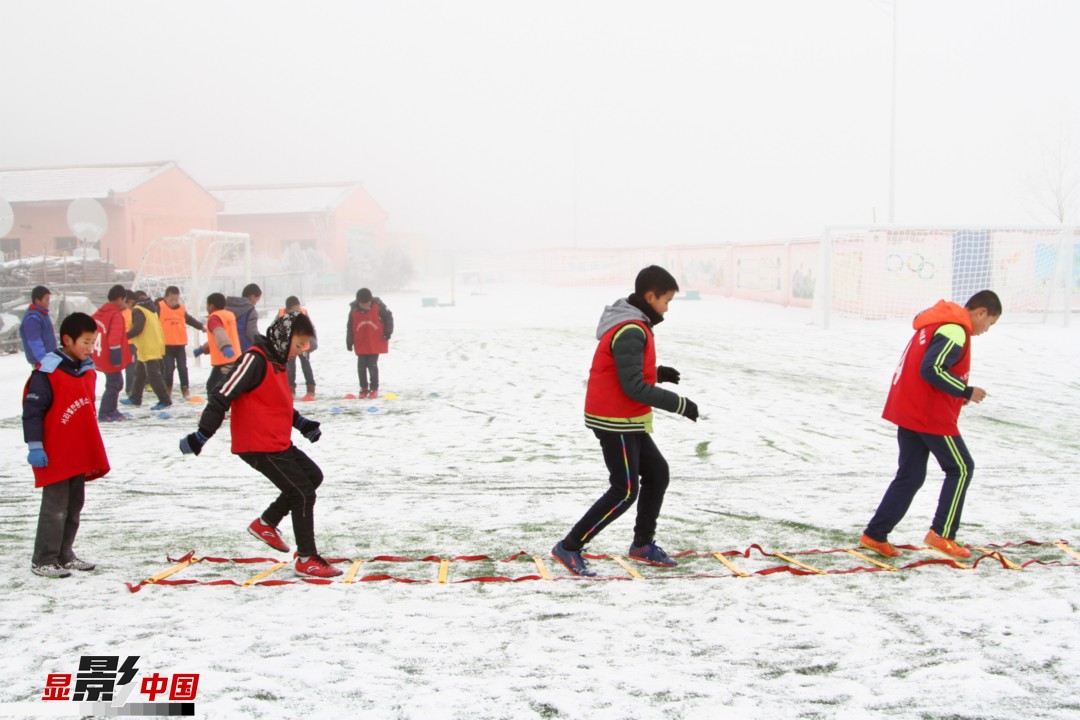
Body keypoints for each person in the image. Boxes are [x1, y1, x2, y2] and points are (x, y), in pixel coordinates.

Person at [550, 265, 700, 577]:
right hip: (613, 418)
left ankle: (642, 544)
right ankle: (570, 546)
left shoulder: (635, 324)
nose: (667, 309)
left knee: (657, 473)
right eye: (666, 301)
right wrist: (680, 404)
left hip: (625, 416)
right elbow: (633, 386)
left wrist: (658, 373)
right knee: (625, 489)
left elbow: (626, 371)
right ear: (650, 296)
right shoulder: (631, 327)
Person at [179, 311, 341, 578]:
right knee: (302, 493)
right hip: (257, 445)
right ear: (283, 337)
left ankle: (266, 523)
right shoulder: (255, 359)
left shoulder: (278, 363)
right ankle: (306, 558)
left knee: (312, 476)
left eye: (304, 347)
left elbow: (276, 404)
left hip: (277, 443)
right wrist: (202, 435)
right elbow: (222, 394)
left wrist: (302, 425)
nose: (299, 352)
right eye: (298, 345)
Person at [860, 290, 1002, 560]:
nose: (987, 330)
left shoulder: (935, 323)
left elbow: (927, 370)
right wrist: (965, 390)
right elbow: (932, 369)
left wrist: (957, 395)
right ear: (981, 312)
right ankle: (942, 534)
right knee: (961, 467)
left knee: (911, 476)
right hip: (928, 415)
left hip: (910, 410)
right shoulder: (955, 329)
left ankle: (875, 535)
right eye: (990, 323)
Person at [23, 312, 110, 578]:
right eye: (85, 342)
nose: (89, 347)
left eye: (92, 341)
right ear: (67, 340)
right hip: (55, 453)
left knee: (74, 506)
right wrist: (35, 446)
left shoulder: (86, 371)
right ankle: (44, 559)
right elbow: (33, 411)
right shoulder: (46, 372)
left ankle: (64, 553)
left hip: (78, 452)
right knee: (55, 508)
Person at [122, 290, 172, 411]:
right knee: (139, 373)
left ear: (130, 301)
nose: (124, 306)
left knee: (153, 375)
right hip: (148, 344)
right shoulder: (148, 307)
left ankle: (165, 400)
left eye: (125, 303)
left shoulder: (138, 310)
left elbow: (138, 328)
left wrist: (123, 337)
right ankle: (135, 398)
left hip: (149, 345)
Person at [91, 285, 132, 423]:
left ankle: (112, 410)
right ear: (120, 299)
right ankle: (104, 413)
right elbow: (114, 339)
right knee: (113, 384)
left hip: (99, 354)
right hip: (110, 356)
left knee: (117, 383)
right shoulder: (115, 315)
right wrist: (116, 358)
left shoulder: (99, 313)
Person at [158, 286, 204, 401]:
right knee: (168, 369)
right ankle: (167, 390)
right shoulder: (159, 307)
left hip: (180, 345)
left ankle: (185, 389)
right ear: (165, 298)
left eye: (176, 299)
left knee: (182, 368)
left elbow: (190, 320)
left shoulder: (181, 309)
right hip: (166, 345)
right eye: (171, 299)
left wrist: (201, 327)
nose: (174, 302)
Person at [346, 288, 393, 399]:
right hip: (361, 343)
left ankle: (374, 388)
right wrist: (349, 341)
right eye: (364, 305)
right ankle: (363, 388)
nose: (367, 307)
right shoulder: (353, 310)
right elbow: (349, 327)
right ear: (359, 302)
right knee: (361, 367)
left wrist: (388, 332)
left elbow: (389, 318)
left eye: (368, 304)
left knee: (372, 365)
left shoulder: (379, 305)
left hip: (374, 342)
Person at [194, 293, 239, 397]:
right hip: (234, 357)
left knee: (214, 387)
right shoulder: (229, 315)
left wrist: (225, 346)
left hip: (224, 361)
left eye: (207, 305)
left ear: (211, 306)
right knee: (220, 385)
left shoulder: (214, 318)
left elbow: (219, 332)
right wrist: (202, 349)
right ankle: (220, 410)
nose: (206, 308)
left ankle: (215, 411)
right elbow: (218, 339)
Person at [278, 296, 316, 401]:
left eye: (298, 307)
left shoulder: (303, 312)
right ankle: (291, 390)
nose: (297, 310)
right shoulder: (281, 314)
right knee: (290, 369)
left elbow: (310, 327)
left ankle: (310, 389)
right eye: (295, 308)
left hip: (303, 346)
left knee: (306, 367)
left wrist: (313, 342)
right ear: (289, 308)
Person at [19, 285, 57, 366]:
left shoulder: (42, 314)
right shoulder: (33, 318)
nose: (48, 302)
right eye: (46, 299)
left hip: (50, 357)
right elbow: (35, 342)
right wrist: (44, 361)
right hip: (41, 361)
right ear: (37, 300)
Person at [226, 283, 262, 353]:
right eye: (257, 300)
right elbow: (251, 332)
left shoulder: (226, 308)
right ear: (251, 296)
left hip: (227, 348)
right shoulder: (250, 310)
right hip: (245, 349)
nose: (255, 303)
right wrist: (262, 341)